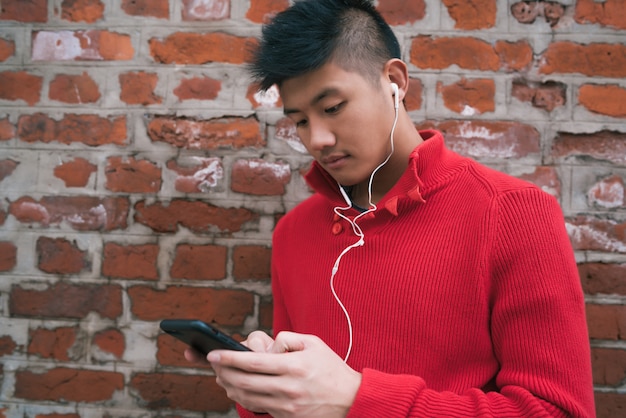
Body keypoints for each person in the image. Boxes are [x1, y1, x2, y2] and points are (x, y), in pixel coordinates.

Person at [185, 0, 596, 416]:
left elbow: (556, 410)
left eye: (332, 108)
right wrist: (263, 391)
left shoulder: (513, 213)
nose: (318, 140)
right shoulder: (294, 232)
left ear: (395, 81)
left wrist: (357, 399)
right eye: (301, 121)